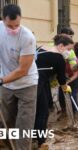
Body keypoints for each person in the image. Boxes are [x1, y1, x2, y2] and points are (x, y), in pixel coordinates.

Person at [0, 4, 38, 150]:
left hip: (27, 84)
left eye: (17, 25)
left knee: (24, 126)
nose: (14, 29)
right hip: (6, 85)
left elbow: (22, 70)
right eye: (10, 26)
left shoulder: (27, 37)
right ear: (3, 20)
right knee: (6, 123)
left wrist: (2, 80)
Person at [34, 34, 73, 148]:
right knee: (42, 112)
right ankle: (41, 142)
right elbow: (61, 78)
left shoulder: (41, 48)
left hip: (33, 81)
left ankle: (35, 137)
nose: (69, 52)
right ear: (61, 46)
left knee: (37, 110)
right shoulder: (59, 58)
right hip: (38, 83)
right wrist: (65, 86)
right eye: (69, 49)